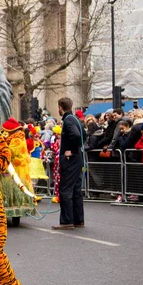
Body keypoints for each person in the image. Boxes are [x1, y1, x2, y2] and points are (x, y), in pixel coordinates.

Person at [52, 97, 85, 230]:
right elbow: (83, 135)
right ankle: (78, 219)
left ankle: (66, 221)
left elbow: (76, 135)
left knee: (65, 189)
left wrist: (70, 151)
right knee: (76, 190)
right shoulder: (74, 118)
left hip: (71, 160)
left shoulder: (68, 120)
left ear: (60, 107)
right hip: (77, 159)